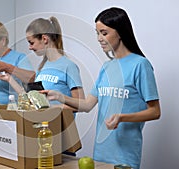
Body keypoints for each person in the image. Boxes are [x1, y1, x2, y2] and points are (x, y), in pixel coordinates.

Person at [43, 7, 161, 169]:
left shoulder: (140, 65)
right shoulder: (107, 67)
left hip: (125, 156)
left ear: (120, 32)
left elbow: (155, 111)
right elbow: (87, 105)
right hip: (100, 153)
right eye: (97, 33)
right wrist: (58, 96)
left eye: (104, 33)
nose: (99, 38)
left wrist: (122, 117)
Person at [0, 16, 85, 110]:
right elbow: (31, 100)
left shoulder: (69, 66)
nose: (30, 47)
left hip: (60, 124)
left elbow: (81, 105)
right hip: (43, 123)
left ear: (44, 39)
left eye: (31, 43)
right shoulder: (43, 67)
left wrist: (53, 108)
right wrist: (9, 79)